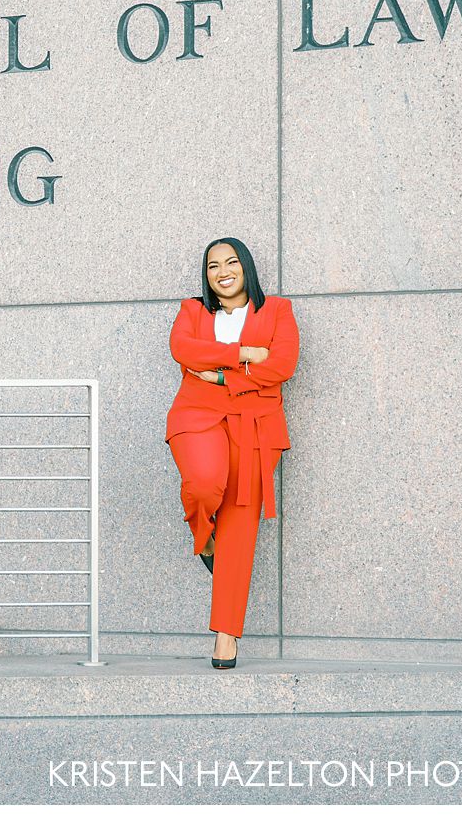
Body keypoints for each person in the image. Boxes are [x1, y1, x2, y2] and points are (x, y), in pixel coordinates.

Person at [164, 236, 300, 669]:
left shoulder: (277, 310)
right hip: (196, 414)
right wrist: (242, 354)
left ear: (246, 267)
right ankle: (204, 540)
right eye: (212, 265)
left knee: (240, 528)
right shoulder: (193, 311)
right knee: (204, 483)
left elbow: (282, 365)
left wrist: (223, 377)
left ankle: (226, 637)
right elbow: (183, 350)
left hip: (254, 426)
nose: (222, 271)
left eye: (231, 262)